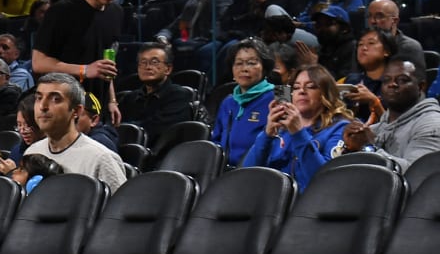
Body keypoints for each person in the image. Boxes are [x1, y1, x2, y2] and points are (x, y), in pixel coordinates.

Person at [32, 0, 126, 121]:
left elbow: (106, 65)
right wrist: (84, 70)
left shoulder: (116, 13)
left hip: (97, 111)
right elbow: (39, 63)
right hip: (63, 111)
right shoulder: (61, 12)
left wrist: (112, 100)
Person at [0, 74, 127, 191]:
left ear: (76, 111)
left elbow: (122, 210)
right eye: (39, 98)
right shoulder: (33, 151)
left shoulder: (101, 159)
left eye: (55, 99)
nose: (43, 106)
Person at [242, 66, 350, 189]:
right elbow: (247, 175)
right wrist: (266, 135)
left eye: (311, 86)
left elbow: (324, 182)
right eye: (296, 87)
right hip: (272, 197)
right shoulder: (281, 128)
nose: (302, 91)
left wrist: (298, 133)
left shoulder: (340, 128)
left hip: (311, 199)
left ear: (325, 93)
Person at [342, 59, 440, 168]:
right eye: (386, 80)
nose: (392, 84)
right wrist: (350, 148)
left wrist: (367, 147)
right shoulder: (374, 129)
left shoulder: (432, 125)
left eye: (402, 80)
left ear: (421, 86)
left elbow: (417, 172)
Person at [212, 39, 278, 167]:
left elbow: (282, 145)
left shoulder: (279, 97)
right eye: (238, 63)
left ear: (265, 68)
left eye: (251, 63)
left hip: (261, 171)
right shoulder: (228, 101)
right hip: (224, 172)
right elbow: (216, 141)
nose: (244, 69)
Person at [118, 43, 198, 142]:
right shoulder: (130, 98)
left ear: (168, 69)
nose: (148, 67)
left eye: (154, 62)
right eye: (143, 62)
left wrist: (124, 129)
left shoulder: (179, 95)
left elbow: (157, 128)